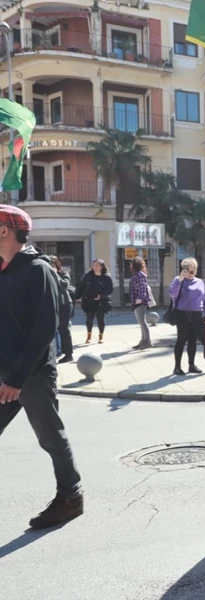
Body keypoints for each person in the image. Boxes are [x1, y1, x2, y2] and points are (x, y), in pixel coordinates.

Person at [0, 205, 84, 529]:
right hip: (7, 373)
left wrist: (17, 379)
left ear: (5, 231)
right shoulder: (4, 270)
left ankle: (71, 497)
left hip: (31, 375)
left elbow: (45, 329)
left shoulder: (38, 270)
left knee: (50, 437)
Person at [168, 257, 205, 376]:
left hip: (196, 315)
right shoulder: (179, 280)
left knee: (193, 340)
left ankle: (191, 365)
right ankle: (177, 367)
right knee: (181, 340)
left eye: (192, 271)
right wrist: (180, 279)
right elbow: (172, 293)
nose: (190, 273)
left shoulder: (200, 282)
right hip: (182, 314)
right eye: (187, 270)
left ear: (196, 271)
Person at [76, 259, 113, 344]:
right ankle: (89, 336)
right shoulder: (88, 276)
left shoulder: (106, 277)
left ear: (101, 267)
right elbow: (82, 287)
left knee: (100, 319)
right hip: (89, 301)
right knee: (89, 319)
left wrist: (101, 295)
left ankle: (101, 336)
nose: (95, 267)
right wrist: (77, 297)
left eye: (97, 265)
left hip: (101, 302)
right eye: (93, 265)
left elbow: (110, 289)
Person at [48, 255, 75, 363]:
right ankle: (53, 352)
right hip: (51, 304)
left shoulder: (63, 273)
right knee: (51, 330)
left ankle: (68, 354)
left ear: (57, 265)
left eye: (52, 264)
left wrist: (54, 274)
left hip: (64, 304)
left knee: (64, 329)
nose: (50, 266)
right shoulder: (46, 274)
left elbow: (64, 285)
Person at [129, 257, 153, 350]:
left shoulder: (140, 275)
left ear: (135, 265)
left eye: (131, 264)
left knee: (142, 321)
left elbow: (142, 287)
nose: (130, 265)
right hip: (137, 301)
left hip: (140, 302)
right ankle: (143, 341)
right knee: (141, 321)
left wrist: (139, 298)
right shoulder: (138, 274)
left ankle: (147, 341)